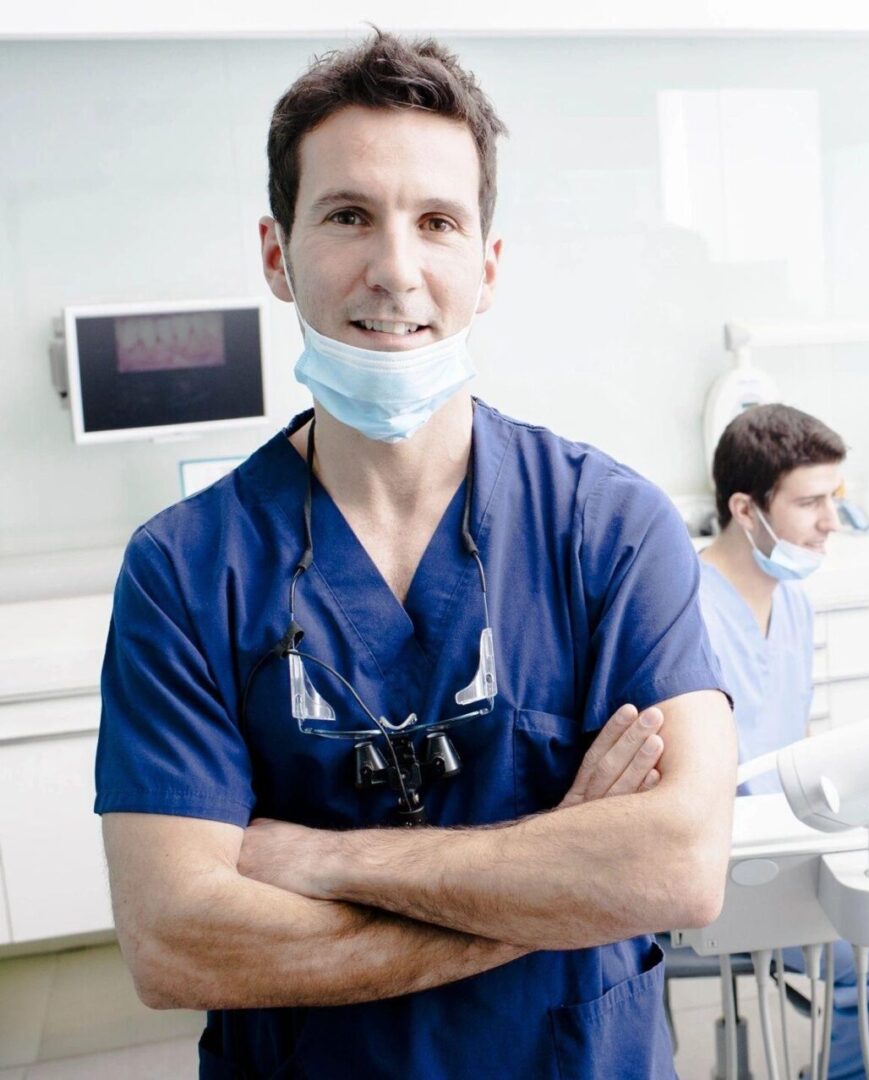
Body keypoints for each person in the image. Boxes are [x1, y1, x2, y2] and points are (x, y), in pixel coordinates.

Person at [93, 32, 737, 1077]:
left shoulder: (610, 530)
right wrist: (554, 885)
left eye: (437, 222)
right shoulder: (185, 570)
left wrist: (316, 860)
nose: (395, 269)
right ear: (276, 252)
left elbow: (680, 865)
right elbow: (174, 939)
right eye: (349, 215)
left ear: (486, 266)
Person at [698, 404, 869, 1079]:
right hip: (727, 861)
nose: (829, 523)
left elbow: (792, 738)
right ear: (745, 509)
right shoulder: (683, 610)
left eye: (832, 500)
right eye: (809, 503)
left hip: (793, 837)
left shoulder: (793, 600)